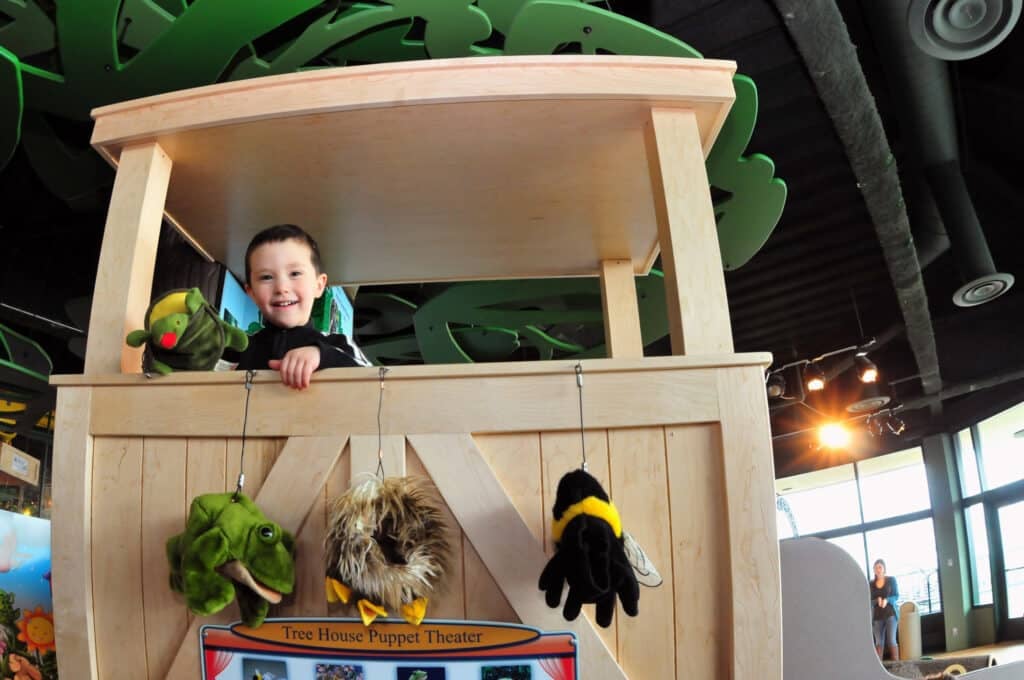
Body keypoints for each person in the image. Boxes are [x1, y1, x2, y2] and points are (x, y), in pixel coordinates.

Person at [237, 224, 370, 388]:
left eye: (295, 274)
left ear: (319, 285)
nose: (281, 288)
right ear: (251, 293)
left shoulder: (339, 344)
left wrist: (322, 355)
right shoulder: (239, 348)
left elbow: (375, 382)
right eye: (266, 277)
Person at [870, 558, 900, 660]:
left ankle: (897, 665)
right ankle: (878, 666)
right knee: (878, 642)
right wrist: (876, 601)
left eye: (880, 567)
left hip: (890, 614)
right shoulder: (871, 584)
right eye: (875, 568)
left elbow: (896, 596)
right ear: (874, 570)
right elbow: (869, 601)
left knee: (891, 640)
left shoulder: (891, 580)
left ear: (884, 569)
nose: (878, 570)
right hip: (877, 617)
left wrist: (887, 600)